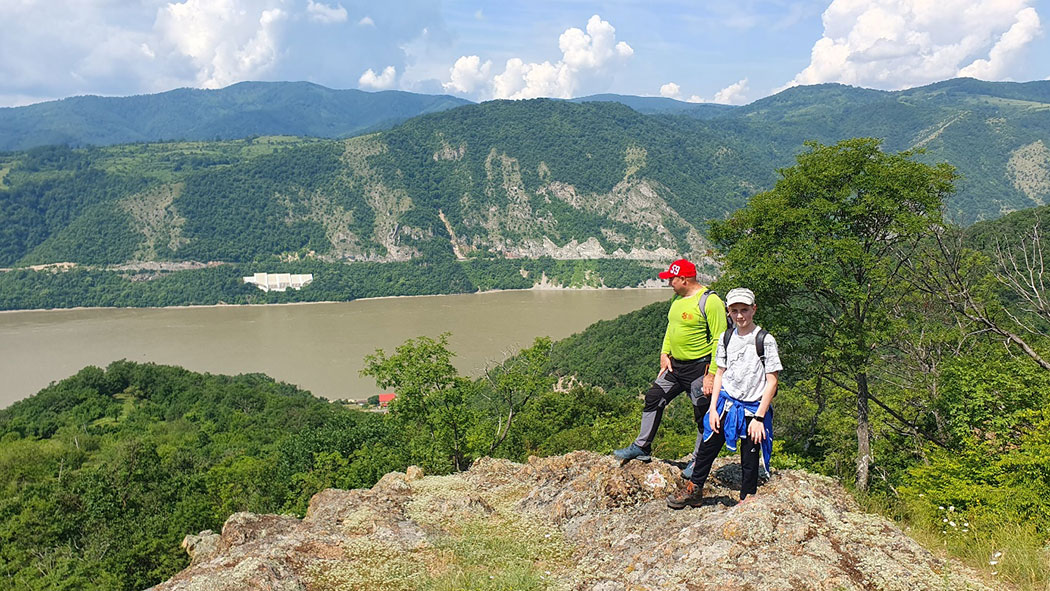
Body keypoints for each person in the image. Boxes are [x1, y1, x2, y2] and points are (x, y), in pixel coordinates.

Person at [667, 287, 782, 509]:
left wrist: (759, 418)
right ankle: (695, 489)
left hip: (752, 408)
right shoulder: (726, 338)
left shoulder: (764, 340)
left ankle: (746, 499)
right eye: (735, 310)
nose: (740, 315)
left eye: (745, 310)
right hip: (726, 402)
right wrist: (712, 409)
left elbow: (772, 381)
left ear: (754, 310)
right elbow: (720, 373)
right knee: (708, 447)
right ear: (728, 311)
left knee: (749, 456)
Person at [613, 258, 726, 464]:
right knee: (654, 398)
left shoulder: (710, 301)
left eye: (671, 279)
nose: (668, 283)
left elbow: (720, 338)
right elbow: (671, 327)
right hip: (675, 365)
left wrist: (713, 374)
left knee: (702, 414)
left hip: (700, 367)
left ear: (684, 279)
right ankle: (641, 446)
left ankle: (698, 461)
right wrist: (665, 353)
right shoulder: (677, 299)